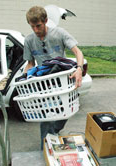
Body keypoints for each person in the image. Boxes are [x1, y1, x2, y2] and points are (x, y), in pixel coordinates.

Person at [23, 6, 84, 150]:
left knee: (66, 111)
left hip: (62, 80)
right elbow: (30, 63)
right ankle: (46, 148)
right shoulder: (29, 40)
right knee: (46, 117)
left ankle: (55, 131)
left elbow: (78, 52)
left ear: (45, 21)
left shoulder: (59, 33)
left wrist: (79, 69)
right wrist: (25, 77)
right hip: (44, 83)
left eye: (38, 26)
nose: (36, 30)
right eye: (33, 27)